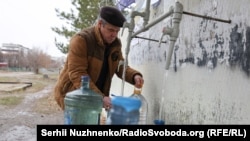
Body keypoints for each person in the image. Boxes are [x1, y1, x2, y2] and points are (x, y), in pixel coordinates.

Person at [54, 6, 144, 111]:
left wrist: (134, 76)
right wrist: (100, 97)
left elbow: (120, 66)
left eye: (117, 31)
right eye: (111, 30)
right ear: (100, 24)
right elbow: (77, 73)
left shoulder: (115, 44)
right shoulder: (82, 40)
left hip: (95, 98)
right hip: (74, 96)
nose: (114, 35)